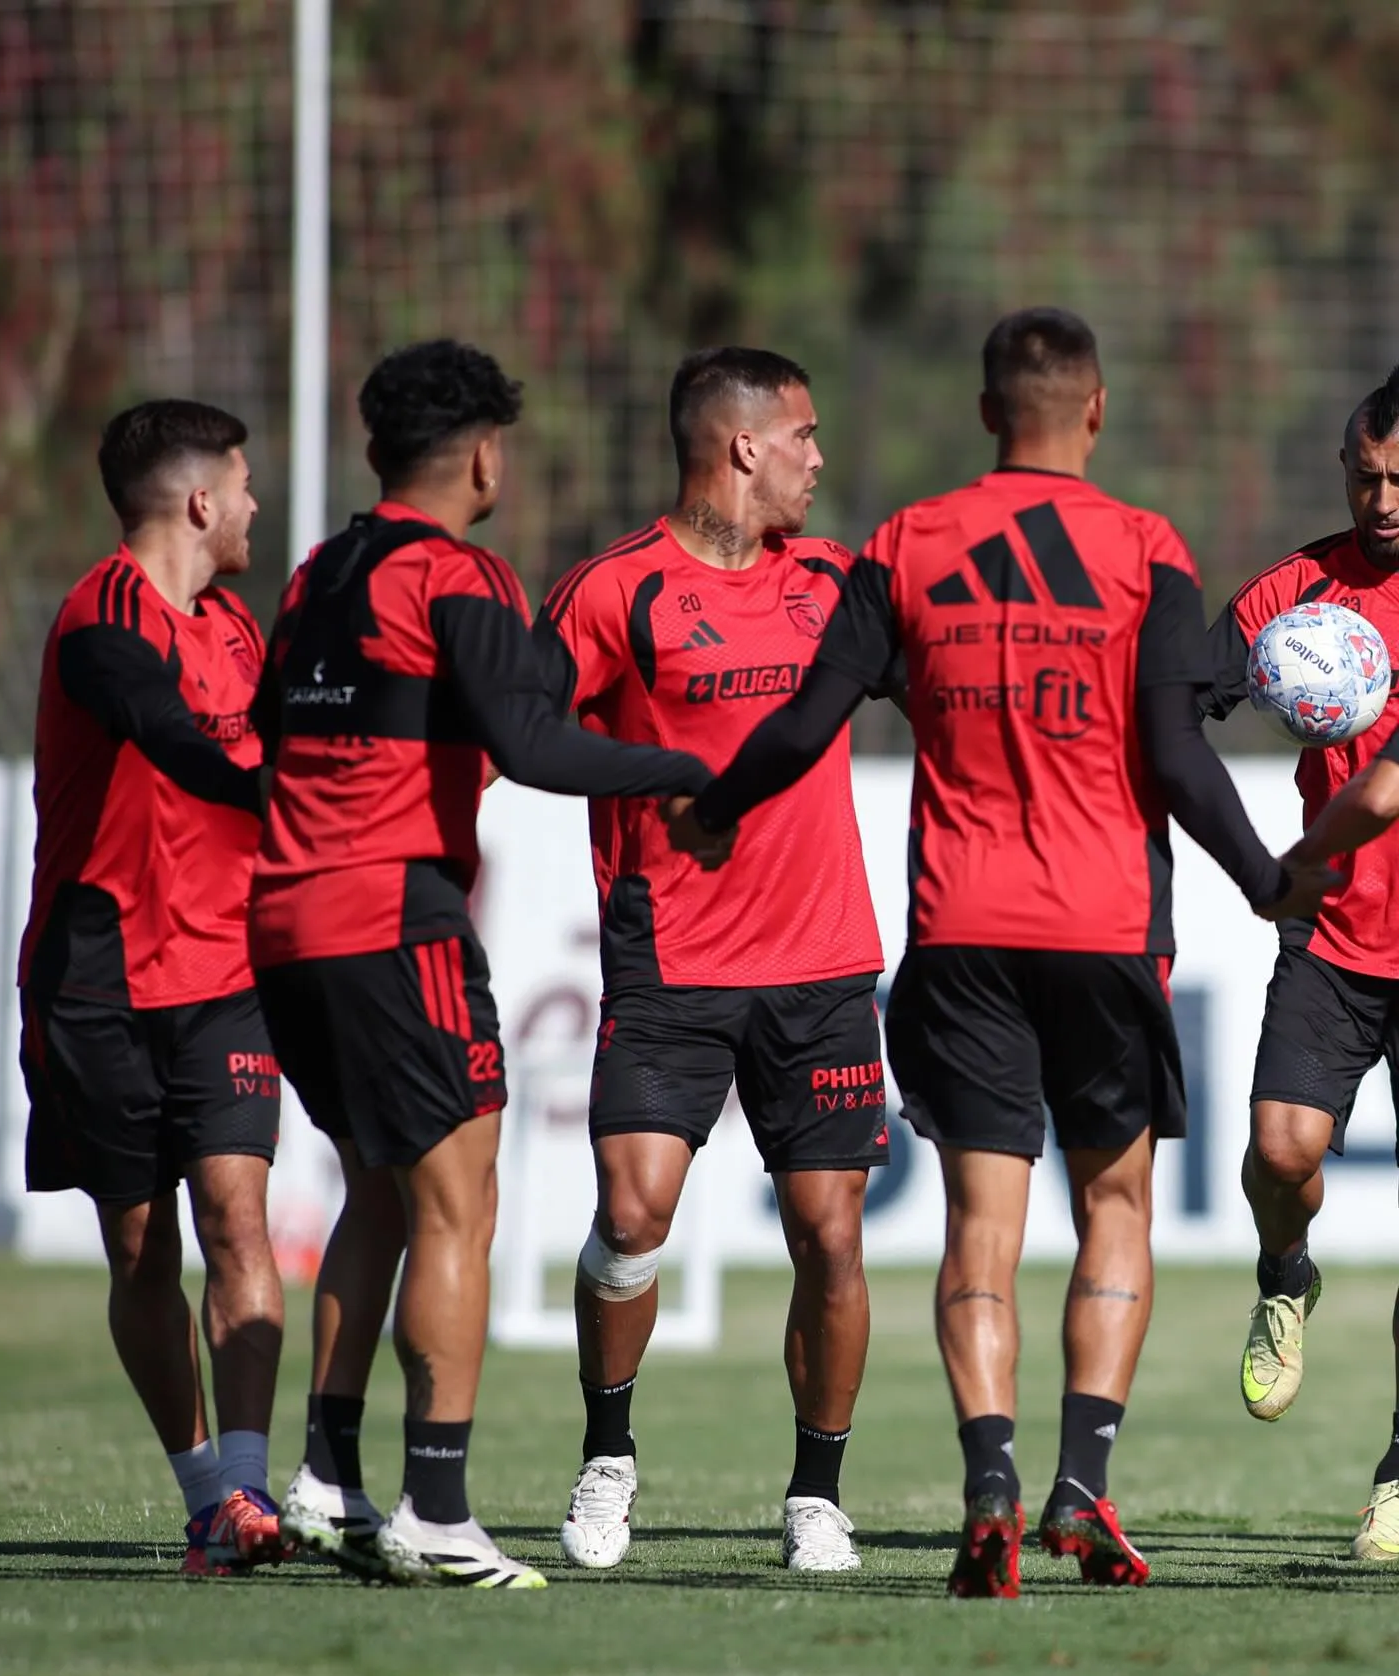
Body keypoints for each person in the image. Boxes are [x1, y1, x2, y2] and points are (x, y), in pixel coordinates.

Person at [676, 308, 1332, 1597]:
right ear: (1094, 413)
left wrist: (714, 805)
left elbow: (809, 719)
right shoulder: (1145, 549)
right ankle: (1081, 1485)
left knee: (982, 1225)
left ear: (986, 414)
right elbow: (1180, 756)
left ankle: (989, 1475)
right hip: (1103, 931)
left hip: (962, 930)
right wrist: (1267, 882)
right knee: (1115, 1207)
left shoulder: (907, 545)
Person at [254, 338, 715, 1591]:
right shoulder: (457, 575)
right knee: (461, 1202)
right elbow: (539, 741)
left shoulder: (313, 575)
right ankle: (437, 1508)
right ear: (481, 453)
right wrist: (676, 768)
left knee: (381, 1196)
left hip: (284, 921)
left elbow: (278, 730)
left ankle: (327, 1478)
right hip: (393, 918)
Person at [531, 347, 899, 1576]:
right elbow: (526, 730)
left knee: (830, 1238)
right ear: (740, 447)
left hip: (824, 964)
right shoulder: (611, 592)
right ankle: (608, 1453)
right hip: (671, 961)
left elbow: (955, 679)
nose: (817, 458)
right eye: (801, 434)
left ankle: (815, 1494)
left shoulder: (839, 584)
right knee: (631, 1218)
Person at [18, 400, 288, 1576]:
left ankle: (246, 1494)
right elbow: (167, 734)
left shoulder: (238, 626)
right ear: (196, 502)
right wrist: (285, 793)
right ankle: (196, 1494)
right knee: (141, 1251)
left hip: (227, 972)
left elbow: (290, 740)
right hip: (100, 977)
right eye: (241, 483)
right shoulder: (99, 618)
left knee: (238, 1214)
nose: (253, 505)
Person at [1201, 364, 1399, 1559]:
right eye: (1367, 476)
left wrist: (1286, 854)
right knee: (1281, 1150)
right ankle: (1288, 1272)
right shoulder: (1297, 589)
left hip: (1316, 882)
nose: (1384, 500)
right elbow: (1193, 689)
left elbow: (1387, 787)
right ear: (1341, 470)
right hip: (1333, 940)